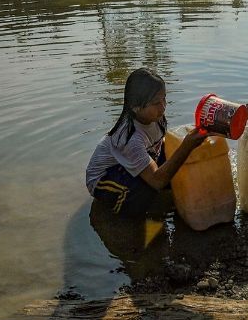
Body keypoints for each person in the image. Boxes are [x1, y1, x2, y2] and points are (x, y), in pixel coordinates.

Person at [85, 67, 209, 216]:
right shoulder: (130, 139)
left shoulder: (156, 117)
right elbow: (157, 181)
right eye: (156, 103)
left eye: (164, 98)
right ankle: (124, 218)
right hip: (104, 178)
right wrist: (186, 146)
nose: (163, 107)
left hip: (137, 158)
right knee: (144, 191)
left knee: (180, 163)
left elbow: (162, 143)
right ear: (135, 107)